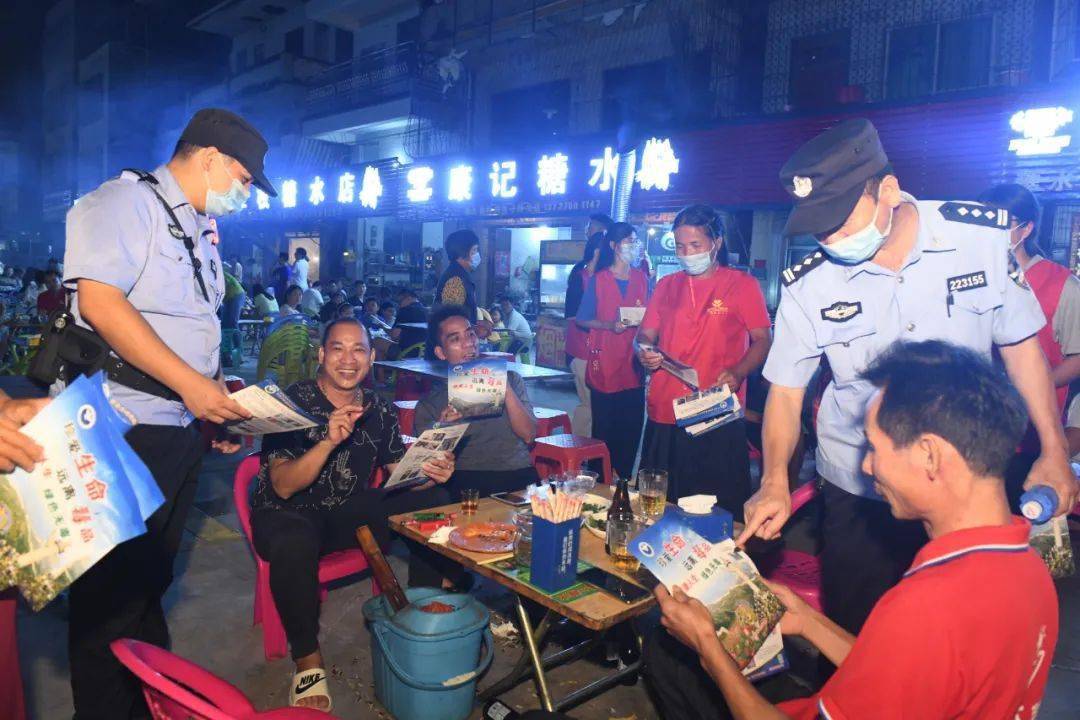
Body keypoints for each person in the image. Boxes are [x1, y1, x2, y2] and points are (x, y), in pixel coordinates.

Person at [740, 118, 1077, 642]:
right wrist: (774, 481)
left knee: (960, 637)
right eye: (818, 226)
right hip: (859, 490)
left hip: (960, 488)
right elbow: (786, 391)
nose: (830, 239)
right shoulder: (811, 283)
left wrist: (1054, 449)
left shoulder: (979, 238)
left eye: (840, 221)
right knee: (859, 631)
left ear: (889, 191)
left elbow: (1020, 347)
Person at [648, 340, 1058, 720]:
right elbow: (911, 673)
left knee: (668, 657)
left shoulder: (928, 607)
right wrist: (808, 620)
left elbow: (918, 641)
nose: (865, 467)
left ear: (930, 455)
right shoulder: (1028, 570)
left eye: (874, 449)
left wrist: (707, 645)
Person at [61, 108, 267, 719]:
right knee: (106, 602)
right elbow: (99, 303)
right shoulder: (126, 205)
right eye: (244, 177)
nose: (246, 192)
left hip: (172, 431)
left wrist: (214, 404)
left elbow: (186, 328)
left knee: (148, 585)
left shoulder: (197, 229)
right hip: (118, 429)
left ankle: (149, 701)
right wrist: (190, 386)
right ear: (208, 159)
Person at [252, 318, 455, 711]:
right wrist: (327, 442)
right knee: (294, 539)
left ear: (372, 356)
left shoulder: (378, 406)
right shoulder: (292, 402)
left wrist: (430, 474)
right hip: (287, 514)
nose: (348, 360)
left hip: (346, 511)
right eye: (338, 349)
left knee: (438, 498)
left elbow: (398, 473)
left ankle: (424, 607)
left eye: (358, 349)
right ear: (322, 354)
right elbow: (283, 485)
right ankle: (308, 660)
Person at [635, 205, 771, 509]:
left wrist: (738, 371)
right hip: (665, 408)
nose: (687, 253)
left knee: (713, 507)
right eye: (681, 246)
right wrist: (644, 352)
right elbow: (644, 335)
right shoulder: (667, 285)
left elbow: (763, 340)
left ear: (717, 243)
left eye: (695, 245)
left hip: (714, 408)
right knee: (659, 506)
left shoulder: (742, 285)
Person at [414, 305, 540, 499]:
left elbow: (529, 435)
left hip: (517, 474)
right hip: (465, 481)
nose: (468, 344)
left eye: (470, 334)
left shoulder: (511, 379)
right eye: (455, 339)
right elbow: (427, 468)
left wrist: (504, 388)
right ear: (440, 352)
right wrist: (444, 428)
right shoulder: (430, 403)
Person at [979, 183, 1080, 413]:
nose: (990, 230)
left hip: (1034, 419)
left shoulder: (1062, 284)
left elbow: (1077, 358)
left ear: (1026, 229)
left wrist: (1032, 388)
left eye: (1002, 223)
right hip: (975, 415)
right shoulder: (971, 276)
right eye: (984, 221)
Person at [575, 223, 650, 480]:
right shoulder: (599, 279)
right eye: (628, 241)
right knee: (605, 430)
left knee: (631, 428)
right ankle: (601, 481)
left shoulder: (642, 278)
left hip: (633, 363)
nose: (633, 245)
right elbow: (583, 319)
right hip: (605, 361)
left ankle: (624, 483)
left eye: (635, 241)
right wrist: (610, 326)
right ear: (614, 246)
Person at [564, 232, 604, 436]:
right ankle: (579, 452)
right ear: (598, 250)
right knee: (589, 404)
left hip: (600, 351)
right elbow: (572, 315)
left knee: (597, 405)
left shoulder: (604, 276)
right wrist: (605, 325)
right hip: (581, 350)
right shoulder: (581, 275)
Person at [435, 229, 483, 324]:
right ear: (463, 252)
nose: (477, 254)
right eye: (474, 250)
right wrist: (474, 329)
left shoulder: (461, 274)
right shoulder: (455, 280)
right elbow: (451, 320)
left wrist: (475, 325)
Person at [389, 287, 428, 353]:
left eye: (399, 301)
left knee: (378, 341)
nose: (399, 305)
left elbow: (394, 336)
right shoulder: (427, 311)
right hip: (424, 352)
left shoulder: (404, 311)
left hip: (407, 351)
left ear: (408, 298)